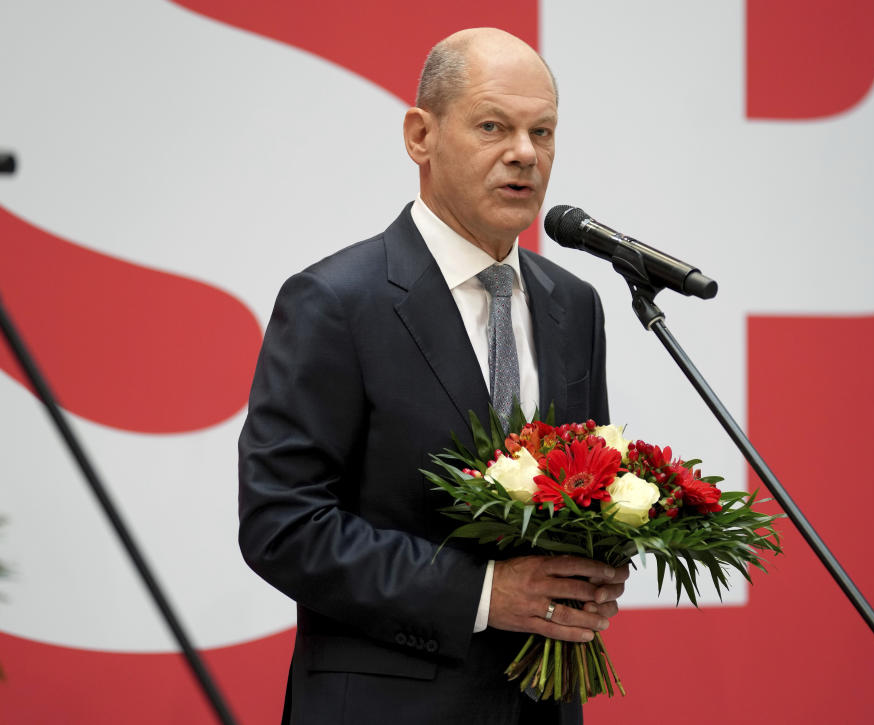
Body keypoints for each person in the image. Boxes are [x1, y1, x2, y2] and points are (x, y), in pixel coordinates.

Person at [238, 27, 629, 725]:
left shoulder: (575, 304)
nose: (524, 153)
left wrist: (598, 562)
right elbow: (282, 523)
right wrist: (480, 593)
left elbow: (584, 491)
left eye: (543, 132)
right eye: (493, 126)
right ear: (420, 135)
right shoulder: (335, 302)